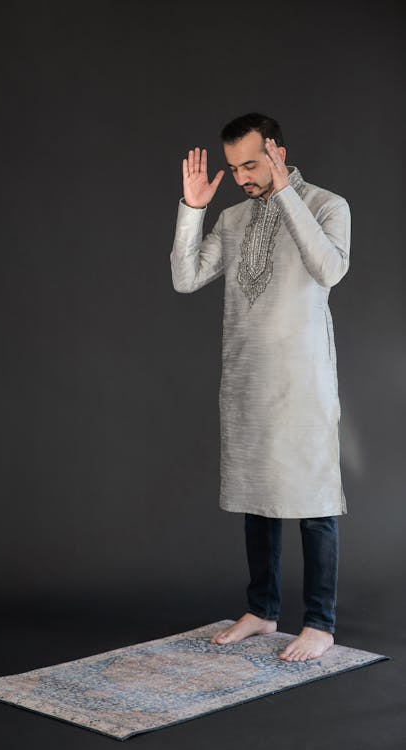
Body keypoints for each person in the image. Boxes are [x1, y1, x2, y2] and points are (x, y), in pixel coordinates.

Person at [170, 112, 351, 662]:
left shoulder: (326, 205)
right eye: (234, 167)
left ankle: (319, 622)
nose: (243, 176)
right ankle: (263, 609)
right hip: (247, 377)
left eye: (251, 163)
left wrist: (284, 194)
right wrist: (194, 210)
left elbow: (329, 269)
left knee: (314, 502)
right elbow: (185, 278)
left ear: (276, 151)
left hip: (303, 379)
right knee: (259, 500)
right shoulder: (233, 218)